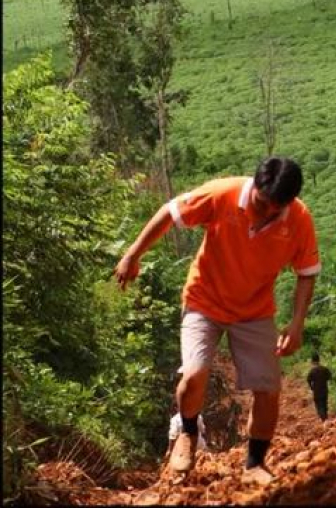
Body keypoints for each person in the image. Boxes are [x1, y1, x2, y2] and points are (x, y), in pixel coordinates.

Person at [114, 157, 320, 476]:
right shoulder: (222, 194)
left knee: (268, 389)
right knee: (195, 373)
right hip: (204, 300)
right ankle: (187, 432)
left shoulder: (299, 220)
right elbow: (170, 213)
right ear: (254, 186)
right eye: (261, 204)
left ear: (288, 204)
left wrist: (296, 324)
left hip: (254, 310)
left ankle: (255, 463)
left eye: (274, 210)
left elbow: (306, 273)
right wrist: (132, 254)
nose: (264, 214)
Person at [306, 351, 332, 421]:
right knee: (324, 404)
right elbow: (330, 377)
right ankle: (326, 419)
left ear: (312, 361)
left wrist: (312, 388)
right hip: (324, 389)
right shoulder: (324, 369)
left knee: (319, 406)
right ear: (319, 360)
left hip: (316, 391)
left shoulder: (312, 371)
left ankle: (324, 420)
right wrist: (325, 380)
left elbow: (308, 380)